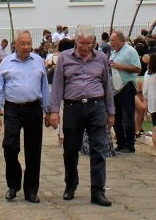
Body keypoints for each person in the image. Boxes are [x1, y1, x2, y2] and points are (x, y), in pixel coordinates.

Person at [46, 28, 114, 206]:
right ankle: (70, 185)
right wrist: (54, 111)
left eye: (88, 43)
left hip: (96, 106)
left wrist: (111, 112)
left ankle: (98, 191)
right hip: (73, 107)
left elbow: (108, 85)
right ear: (76, 41)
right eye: (82, 43)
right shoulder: (64, 58)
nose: (85, 47)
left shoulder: (101, 58)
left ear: (93, 42)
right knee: (70, 149)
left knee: (98, 150)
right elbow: (58, 86)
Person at [0, 30, 49, 204]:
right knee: (10, 146)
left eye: (29, 43)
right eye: (22, 43)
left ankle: (31, 190)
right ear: (15, 44)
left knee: (33, 150)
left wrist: (48, 110)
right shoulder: (6, 63)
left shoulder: (39, 61)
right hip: (13, 109)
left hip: (33, 109)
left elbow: (45, 87)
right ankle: (13, 184)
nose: (26, 47)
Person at [108, 31, 141, 154]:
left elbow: (138, 68)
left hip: (126, 86)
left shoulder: (130, 51)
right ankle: (121, 143)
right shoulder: (114, 52)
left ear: (121, 40)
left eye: (113, 40)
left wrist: (121, 67)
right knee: (116, 117)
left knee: (127, 116)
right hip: (114, 88)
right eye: (110, 40)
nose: (111, 43)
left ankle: (129, 144)